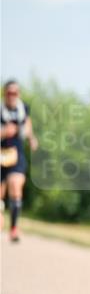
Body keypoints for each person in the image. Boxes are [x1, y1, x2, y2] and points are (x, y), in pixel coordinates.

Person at [1, 79, 39, 242]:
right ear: (5, 94)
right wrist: (3, 132)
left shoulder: (23, 109)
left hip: (16, 155)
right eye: (9, 93)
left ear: (19, 94)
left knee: (16, 187)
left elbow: (28, 127)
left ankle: (14, 228)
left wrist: (31, 138)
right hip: (1, 154)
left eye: (15, 93)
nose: (12, 96)